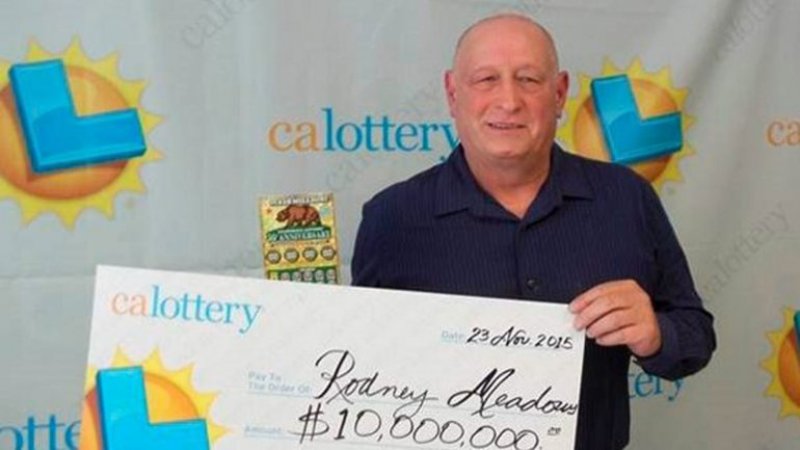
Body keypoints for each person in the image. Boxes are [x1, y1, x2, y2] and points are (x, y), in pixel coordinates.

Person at [351, 13, 715, 450]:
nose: (508, 101)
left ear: (559, 93)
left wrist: (656, 333)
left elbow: (695, 338)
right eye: (486, 79)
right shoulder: (392, 218)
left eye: (528, 79)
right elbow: (361, 369)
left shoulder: (626, 198)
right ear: (452, 93)